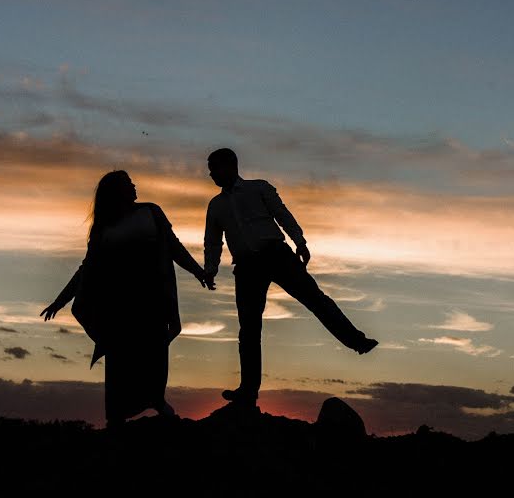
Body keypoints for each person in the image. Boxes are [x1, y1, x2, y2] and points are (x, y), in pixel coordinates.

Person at [202, 148, 378, 408]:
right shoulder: (215, 206)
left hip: (276, 254)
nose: (211, 174)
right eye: (210, 169)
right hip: (247, 267)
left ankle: (357, 341)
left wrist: (299, 241)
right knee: (249, 330)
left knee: (316, 300)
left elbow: (282, 215)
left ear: (231, 166)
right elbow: (213, 241)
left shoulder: (259, 188)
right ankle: (248, 392)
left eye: (214, 168)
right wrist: (210, 268)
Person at [40, 170, 207, 427]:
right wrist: (59, 301)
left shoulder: (151, 211)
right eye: (128, 184)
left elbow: (173, 246)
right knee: (120, 361)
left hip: (152, 296)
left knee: (155, 351)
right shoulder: (104, 227)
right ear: (117, 191)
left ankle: (156, 399)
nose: (134, 186)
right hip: (118, 302)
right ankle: (116, 418)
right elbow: (87, 269)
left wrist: (198, 271)